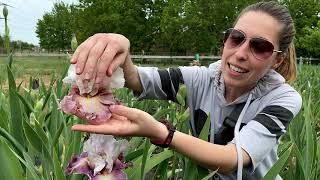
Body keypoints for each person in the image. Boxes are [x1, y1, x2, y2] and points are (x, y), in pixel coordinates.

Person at [70, 1, 302, 179]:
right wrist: (121, 49)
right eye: (236, 38)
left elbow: (234, 159)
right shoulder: (202, 79)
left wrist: (163, 134)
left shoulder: (283, 98)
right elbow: (140, 80)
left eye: (260, 46)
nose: (241, 53)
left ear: (277, 60)